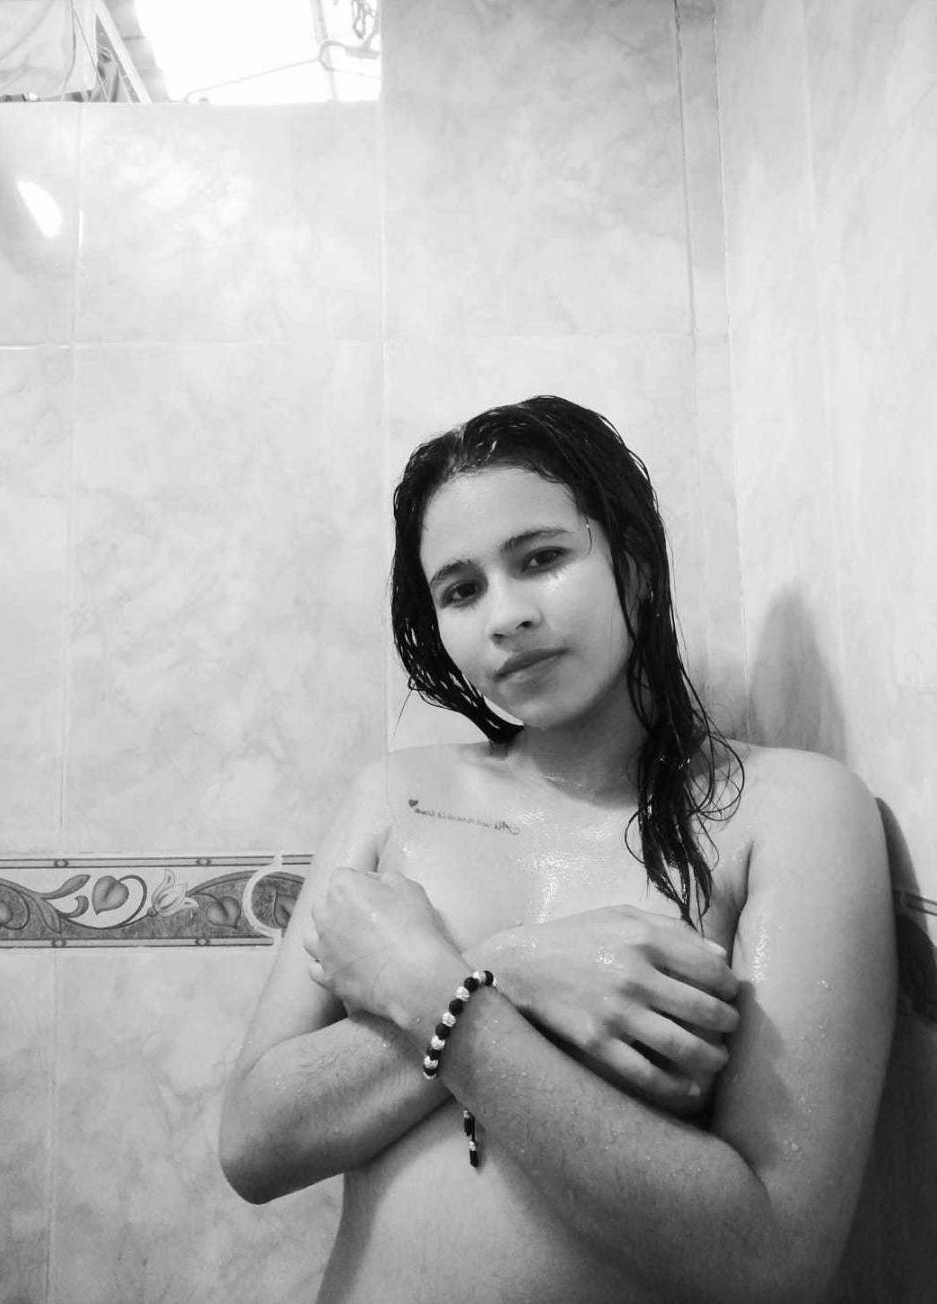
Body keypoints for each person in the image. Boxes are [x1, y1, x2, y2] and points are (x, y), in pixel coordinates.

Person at [219, 396, 895, 1304]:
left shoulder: (789, 813)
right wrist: (513, 970)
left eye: (541, 558)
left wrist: (439, 995)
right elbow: (254, 1145)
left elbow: (772, 1258)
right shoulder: (394, 800)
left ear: (636, 563)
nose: (505, 615)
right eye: (461, 590)